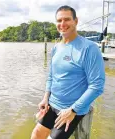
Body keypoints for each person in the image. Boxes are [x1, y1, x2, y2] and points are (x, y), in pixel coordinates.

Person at [31, 5, 105, 139]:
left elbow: (97, 86)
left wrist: (73, 110)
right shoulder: (56, 48)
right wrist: (45, 98)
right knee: (36, 134)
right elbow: (51, 77)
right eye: (59, 21)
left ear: (76, 21)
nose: (62, 24)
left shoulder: (89, 48)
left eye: (67, 19)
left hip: (71, 109)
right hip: (52, 104)